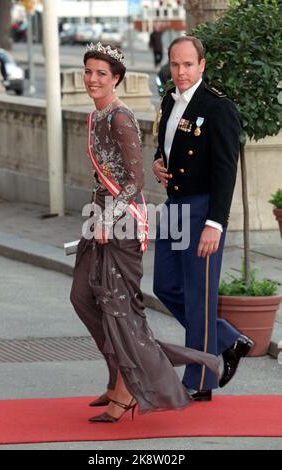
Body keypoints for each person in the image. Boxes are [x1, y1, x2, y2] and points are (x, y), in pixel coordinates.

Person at [70, 41, 220, 423]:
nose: (92, 79)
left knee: (120, 309)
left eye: (101, 73)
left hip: (120, 220)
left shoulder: (120, 118)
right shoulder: (97, 116)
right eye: (88, 72)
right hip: (99, 213)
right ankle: (118, 372)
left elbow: (134, 183)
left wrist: (108, 220)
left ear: (116, 78)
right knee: (83, 296)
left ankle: (128, 388)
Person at [152, 36, 254, 403]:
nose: (180, 72)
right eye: (175, 65)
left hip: (201, 211)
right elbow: (165, 146)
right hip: (174, 206)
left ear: (202, 66)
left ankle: (200, 379)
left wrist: (216, 223)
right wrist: (157, 163)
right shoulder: (168, 100)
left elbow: (226, 170)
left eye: (188, 65)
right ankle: (227, 338)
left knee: (199, 296)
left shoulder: (217, 108)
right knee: (165, 285)